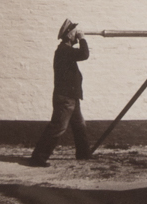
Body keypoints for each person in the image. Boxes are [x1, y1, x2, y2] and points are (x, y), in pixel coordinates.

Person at [28, 19, 96, 166]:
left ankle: (84, 154)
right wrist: (82, 38)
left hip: (71, 97)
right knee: (58, 127)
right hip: (66, 98)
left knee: (79, 125)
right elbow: (84, 54)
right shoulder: (64, 51)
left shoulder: (65, 51)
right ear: (69, 35)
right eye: (74, 32)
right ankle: (38, 158)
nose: (76, 34)